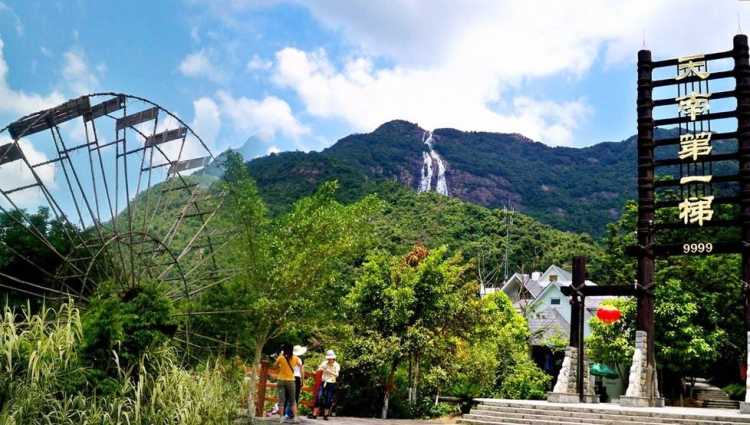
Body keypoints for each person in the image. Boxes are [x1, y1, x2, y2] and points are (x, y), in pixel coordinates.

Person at [273, 344, 302, 423]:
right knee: (293, 400)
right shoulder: (296, 358)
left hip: (281, 380)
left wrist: (281, 365)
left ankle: (281, 418)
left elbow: (274, 366)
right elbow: (300, 366)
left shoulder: (281, 358)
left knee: (281, 400)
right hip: (291, 381)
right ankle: (295, 417)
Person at [311, 350, 340, 420]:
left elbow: (337, 375)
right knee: (319, 396)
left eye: (331, 358)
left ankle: (326, 415)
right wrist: (316, 371)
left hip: (331, 383)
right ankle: (314, 414)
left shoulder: (336, 365)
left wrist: (328, 371)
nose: (329, 359)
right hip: (323, 382)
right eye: (328, 358)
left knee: (329, 399)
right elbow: (320, 368)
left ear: (333, 358)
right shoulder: (324, 363)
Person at [285, 345, 307, 418]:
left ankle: (286, 413)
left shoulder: (287, 358)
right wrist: (303, 381)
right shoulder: (298, 360)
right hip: (296, 378)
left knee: (287, 395)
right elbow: (301, 371)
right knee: (295, 396)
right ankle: (290, 413)